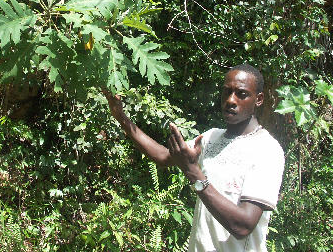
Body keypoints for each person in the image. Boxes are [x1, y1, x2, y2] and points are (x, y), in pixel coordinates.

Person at [104, 63, 285, 252]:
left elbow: (243, 225)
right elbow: (163, 156)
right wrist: (121, 117)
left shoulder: (267, 150)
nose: (231, 100)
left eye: (241, 94)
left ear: (259, 99)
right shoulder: (211, 138)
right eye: (227, 92)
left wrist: (193, 173)